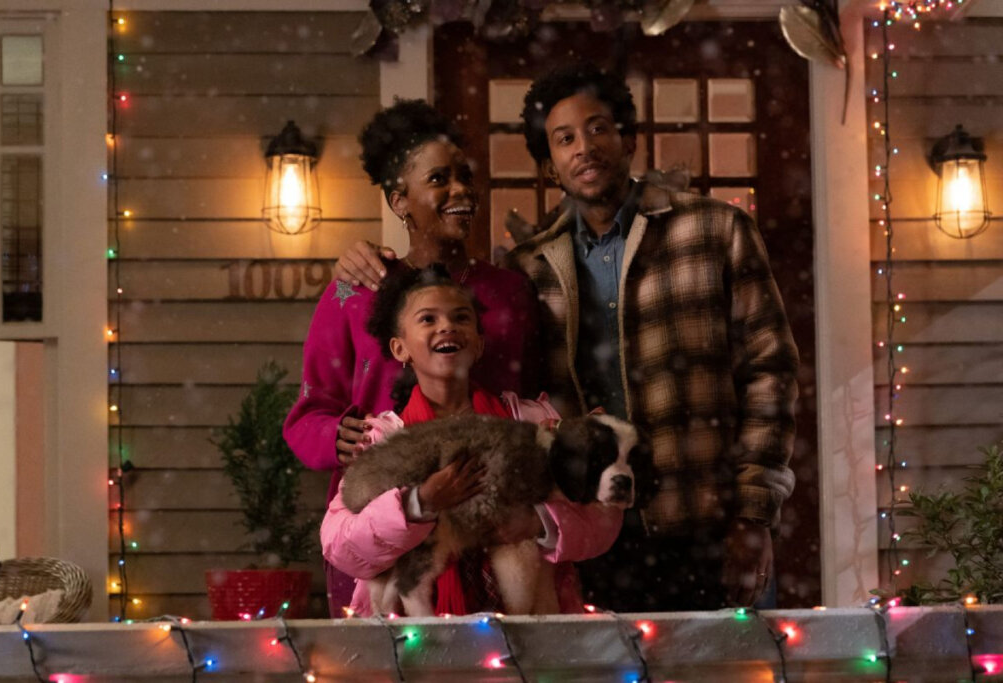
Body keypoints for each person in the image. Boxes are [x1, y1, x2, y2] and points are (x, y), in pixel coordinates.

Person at [332, 62, 799, 612]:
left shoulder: (715, 231)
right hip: (590, 526)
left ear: (627, 139)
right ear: (550, 162)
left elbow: (771, 370)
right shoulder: (532, 267)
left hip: (703, 515)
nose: (584, 148)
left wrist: (752, 514)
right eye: (564, 138)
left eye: (598, 128)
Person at [283, 99, 539, 617]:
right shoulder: (356, 292)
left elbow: (531, 404)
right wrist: (335, 436)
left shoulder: (510, 292)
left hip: (495, 530)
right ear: (400, 200)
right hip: (383, 530)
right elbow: (308, 415)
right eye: (440, 179)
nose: (462, 191)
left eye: (465, 177)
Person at [321, 265, 623, 616]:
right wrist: (418, 504)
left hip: (527, 630)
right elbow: (339, 544)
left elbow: (603, 517)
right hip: (415, 634)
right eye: (428, 319)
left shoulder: (530, 422)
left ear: (479, 343)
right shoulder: (382, 440)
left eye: (461, 317)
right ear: (400, 348)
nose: (447, 326)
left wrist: (535, 523)